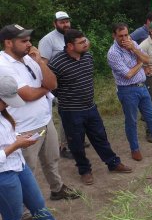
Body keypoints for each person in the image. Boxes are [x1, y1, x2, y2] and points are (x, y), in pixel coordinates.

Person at [0, 24, 80, 220]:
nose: (29, 44)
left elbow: (52, 83)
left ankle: (57, 189)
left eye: (29, 39)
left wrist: (39, 62)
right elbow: (25, 95)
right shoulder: (3, 65)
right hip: (22, 129)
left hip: (44, 120)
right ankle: (25, 216)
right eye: (23, 41)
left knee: (52, 158)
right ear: (9, 43)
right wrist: (45, 89)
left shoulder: (29, 58)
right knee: (28, 170)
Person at [0, 76, 85, 220]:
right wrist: (16, 144)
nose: (9, 104)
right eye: (6, 100)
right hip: (4, 175)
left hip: (18, 166)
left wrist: (18, 137)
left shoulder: (3, 114)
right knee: (13, 218)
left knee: (38, 203)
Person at [48, 29, 133, 185]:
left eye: (85, 40)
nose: (85, 44)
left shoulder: (88, 56)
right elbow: (52, 87)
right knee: (76, 143)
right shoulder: (56, 63)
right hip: (70, 111)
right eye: (81, 42)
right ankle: (84, 170)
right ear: (70, 46)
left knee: (100, 137)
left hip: (90, 107)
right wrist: (68, 98)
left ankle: (113, 163)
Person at [107, 23, 152, 161]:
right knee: (131, 121)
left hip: (142, 87)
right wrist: (140, 64)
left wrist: (134, 49)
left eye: (126, 35)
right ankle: (135, 149)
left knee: (151, 117)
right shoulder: (113, 53)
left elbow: (147, 59)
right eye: (120, 36)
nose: (124, 38)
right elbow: (128, 74)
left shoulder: (132, 43)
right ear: (114, 36)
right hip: (127, 90)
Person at [38, 11, 75, 159]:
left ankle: (75, 140)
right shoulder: (48, 40)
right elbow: (42, 65)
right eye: (61, 22)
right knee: (66, 116)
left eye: (67, 21)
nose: (65, 24)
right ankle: (64, 146)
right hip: (58, 87)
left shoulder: (71, 36)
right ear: (55, 23)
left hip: (74, 84)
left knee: (75, 115)